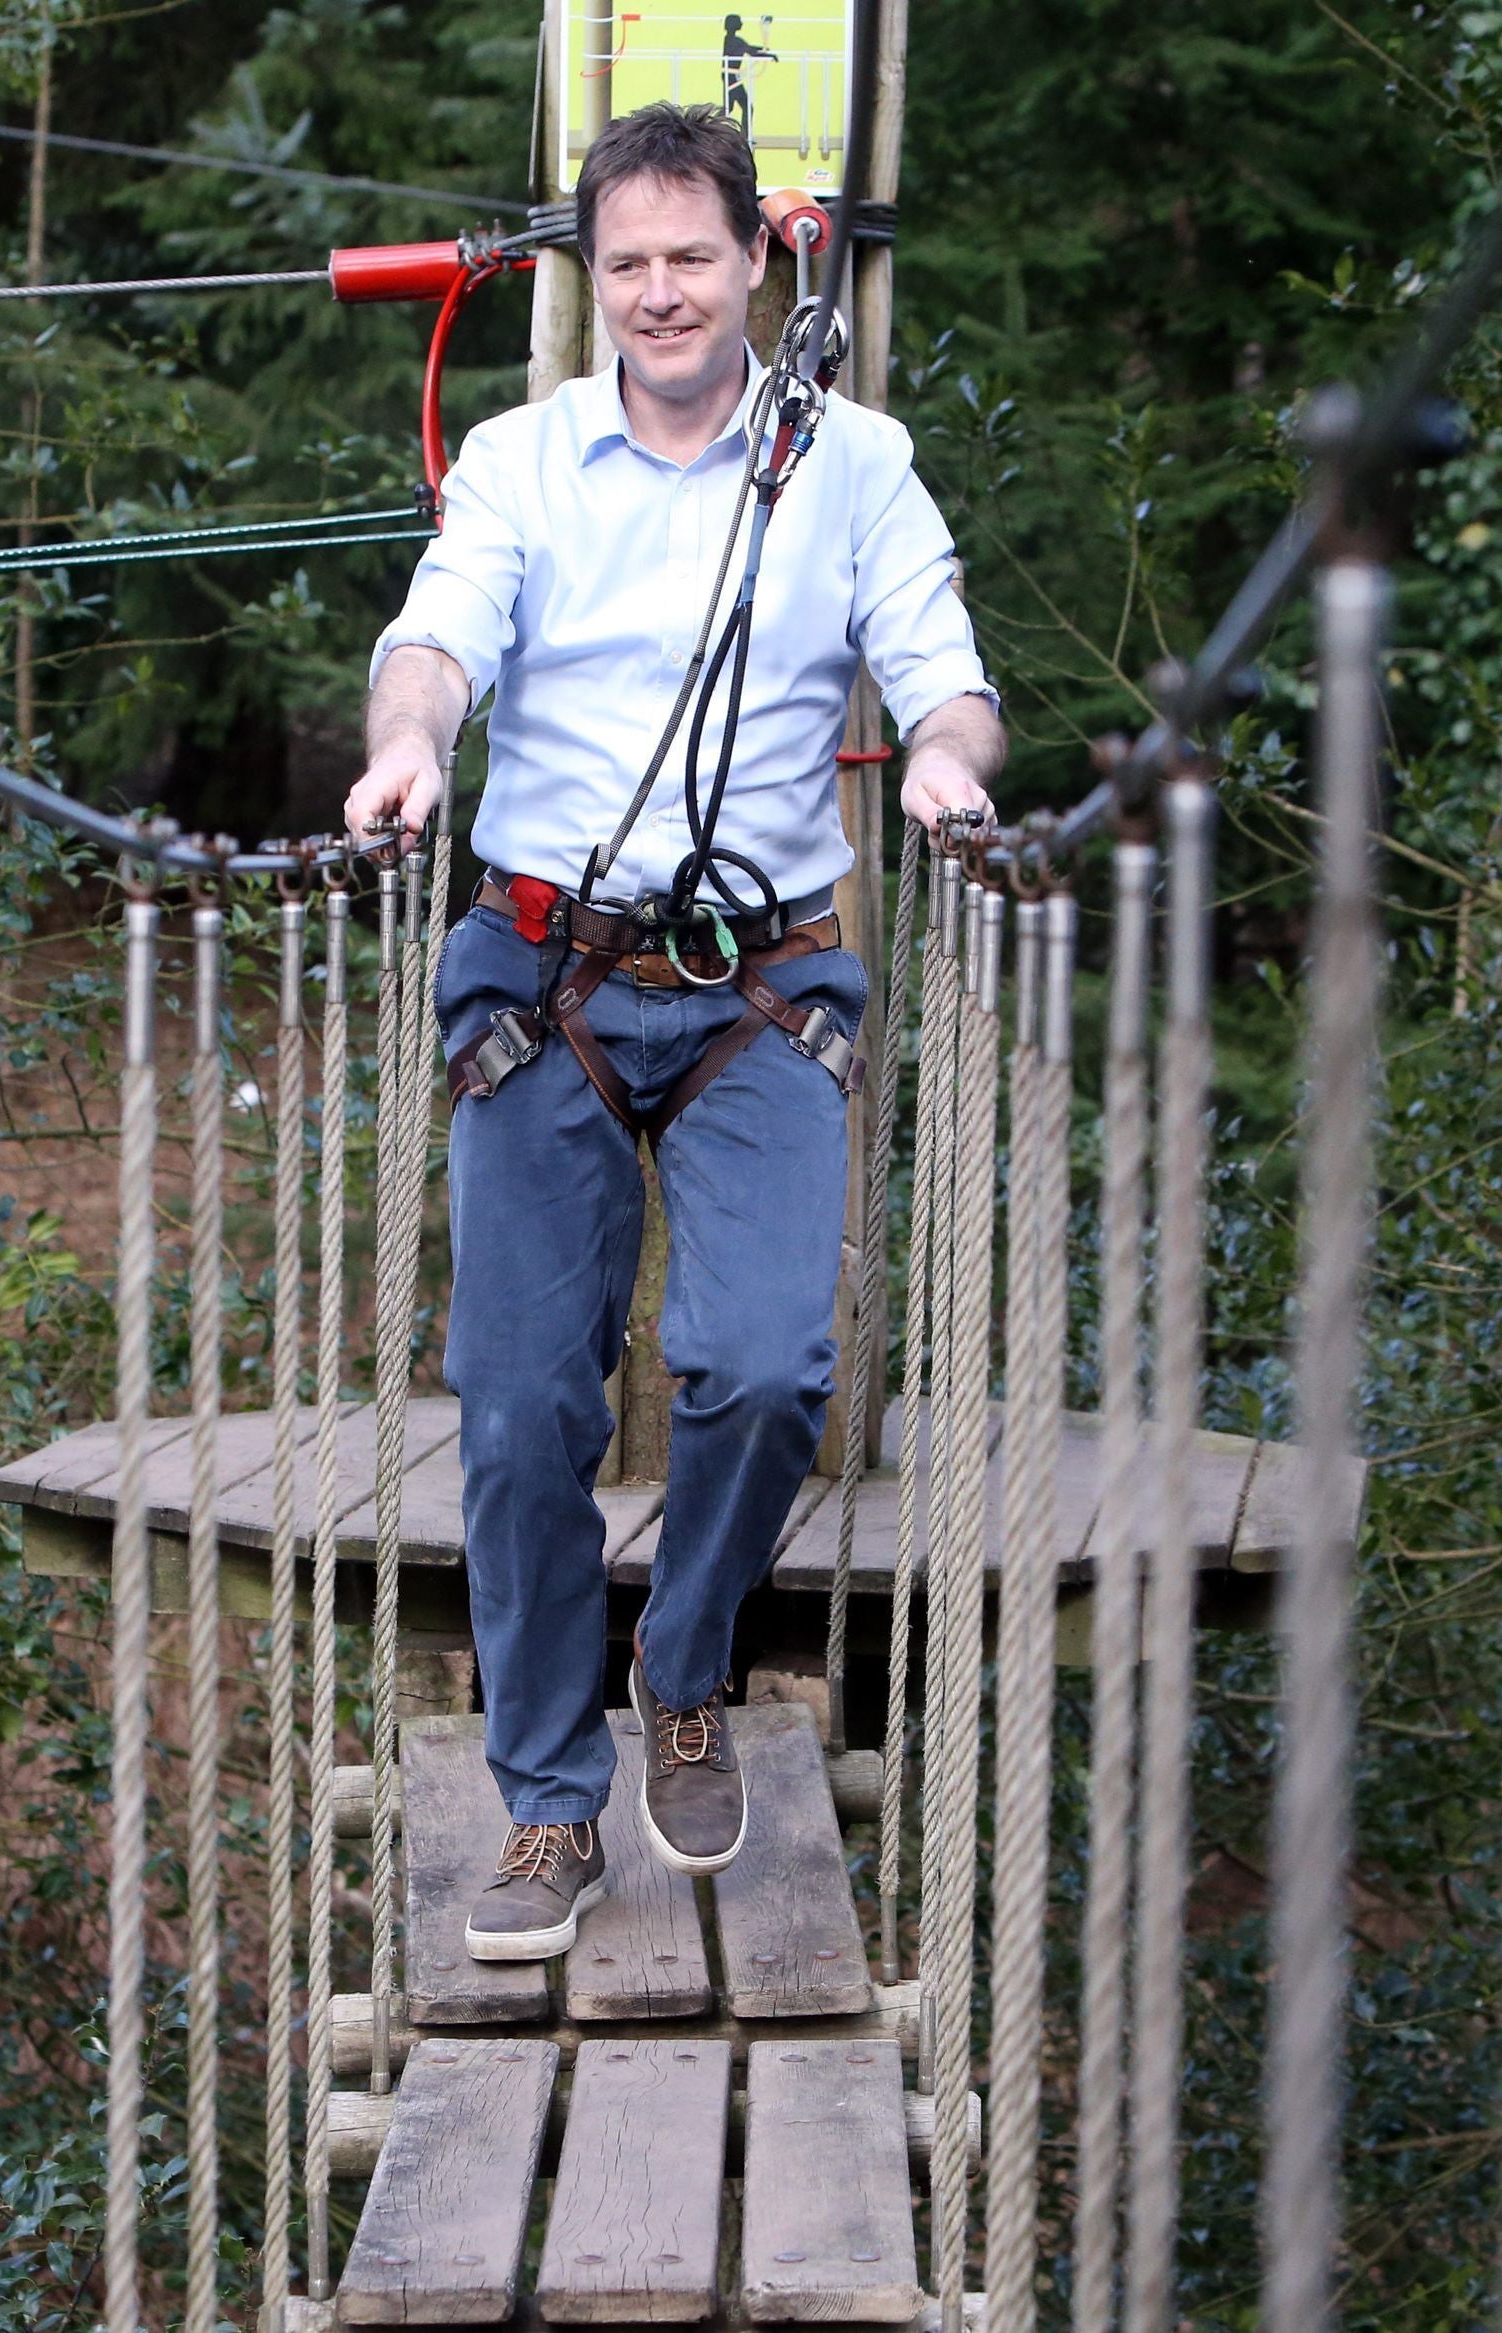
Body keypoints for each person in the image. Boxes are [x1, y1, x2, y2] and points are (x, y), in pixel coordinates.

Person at [347, 101, 1003, 1960]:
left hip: (759, 984)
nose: (656, 293)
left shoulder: (850, 464)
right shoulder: (521, 457)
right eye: (624, 262)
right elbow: (441, 629)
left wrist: (949, 773)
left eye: (689, 258)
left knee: (768, 1366)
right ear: (593, 275)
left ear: (753, 263)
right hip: (541, 978)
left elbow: (946, 678)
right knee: (525, 1407)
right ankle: (549, 1800)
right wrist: (410, 739)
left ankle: (689, 1659)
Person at [717, 14, 776, 140]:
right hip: (730, 76)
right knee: (740, 107)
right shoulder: (733, 40)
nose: (742, 23)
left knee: (732, 107)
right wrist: (768, 55)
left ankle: (711, 127)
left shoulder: (732, 40)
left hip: (732, 75)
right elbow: (751, 51)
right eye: (740, 21)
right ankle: (711, 128)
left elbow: (750, 49)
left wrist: (765, 52)